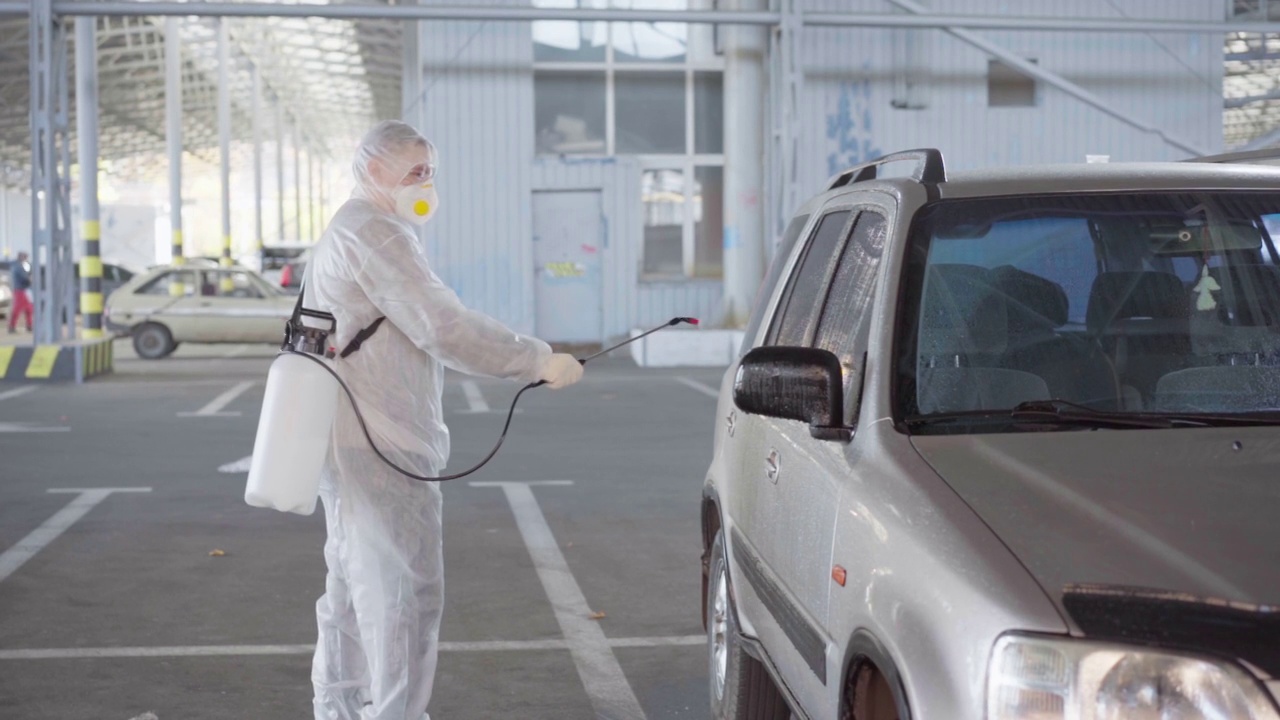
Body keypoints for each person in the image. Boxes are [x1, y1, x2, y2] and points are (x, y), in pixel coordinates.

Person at [306, 120, 583, 720]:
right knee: (406, 591)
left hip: (348, 432)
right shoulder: (377, 234)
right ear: (372, 171)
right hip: (380, 438)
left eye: (430, 171)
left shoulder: (356, 228)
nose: (425, 182)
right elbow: (442, 326)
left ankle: (341, 709)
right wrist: (536, 360)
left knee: (353, 586)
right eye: (412, 171)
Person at [8, 252, 32, 334]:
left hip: (22, 290)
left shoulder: (19, 265)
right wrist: (30, 279)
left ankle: (29, 325)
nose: (26, 259)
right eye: (25, 257)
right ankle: (12, 326)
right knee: (18, 309)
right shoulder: (18, 266)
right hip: (20, 290)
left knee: (28, 308)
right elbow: (25, 277)